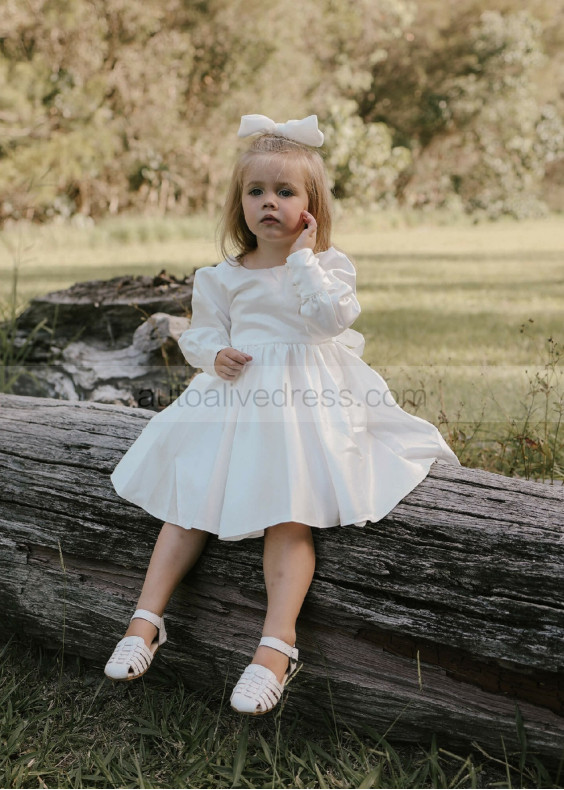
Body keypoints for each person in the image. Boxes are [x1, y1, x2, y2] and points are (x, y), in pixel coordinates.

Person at [105, 113, 461, 715]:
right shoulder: (221, 277)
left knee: (289, 512)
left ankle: (276, 645)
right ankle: (145, 621)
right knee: (188, 498)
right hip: (237, 396)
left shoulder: (328, 267)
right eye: (256, 191)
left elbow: (330, 320)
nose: (269, 202)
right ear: (238, 201)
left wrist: (302, 260)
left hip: (307, 401)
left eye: (285, 191)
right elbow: (201, 333)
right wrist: (212, 353)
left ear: (310, 205)